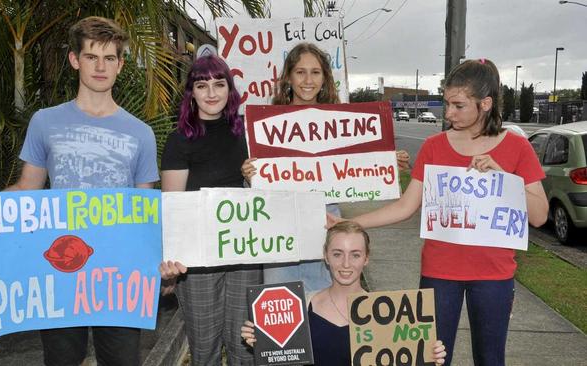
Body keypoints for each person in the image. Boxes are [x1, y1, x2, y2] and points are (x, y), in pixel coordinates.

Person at [0, 16, 159, 366]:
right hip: (59, 271)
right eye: (92, 56)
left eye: (110, 58)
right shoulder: (45, 121)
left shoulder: (141, 133)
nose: (100, 66)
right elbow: (26, 189)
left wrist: (159, 266)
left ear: (121, 65)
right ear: (74, 60)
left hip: (120, 276)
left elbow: (146, 213)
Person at [328, 59, 549, 366]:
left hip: (494, 275)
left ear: (485, 103)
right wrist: (350, 223)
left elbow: (539, 215)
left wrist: (501, 178)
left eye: (458, 106)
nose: (448, 114)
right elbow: (406, 206)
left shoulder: (516, 148)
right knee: (430, 359)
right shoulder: (433, 147)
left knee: (490, 358)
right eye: (446, 104)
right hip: (439, 272)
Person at [240, 42, 410, 293]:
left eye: (315, 72)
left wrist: (388, 163)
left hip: (327, 229)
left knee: (329, 313)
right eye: (300, 72)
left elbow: (360, 165)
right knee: (284, 313)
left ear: (325, 78)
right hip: (279, 235)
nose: (308, 80)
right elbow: (258, 189)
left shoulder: (341, 123)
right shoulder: (266, 123)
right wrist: (248, 175)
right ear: (288, 77)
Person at [158, 54, 262, 365]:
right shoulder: (179, 141)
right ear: (192, 93)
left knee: (245, 348)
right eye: (202, 86)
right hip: (197, 261)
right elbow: (173, 207)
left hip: (245, 253)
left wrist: (252, 179)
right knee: (204, 351)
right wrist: (171, 271)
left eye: (219, 84)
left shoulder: (250, 134)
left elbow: (271, 191)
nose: (212, 93)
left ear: (231, 90)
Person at [240, 221, 447, 365]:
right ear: (326, 257)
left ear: (366, 258)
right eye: (337, 254)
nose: (346, 264)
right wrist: (261, 340)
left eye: (355, 255)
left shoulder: (392, 316)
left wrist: (428, 357)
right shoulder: (299, 307)